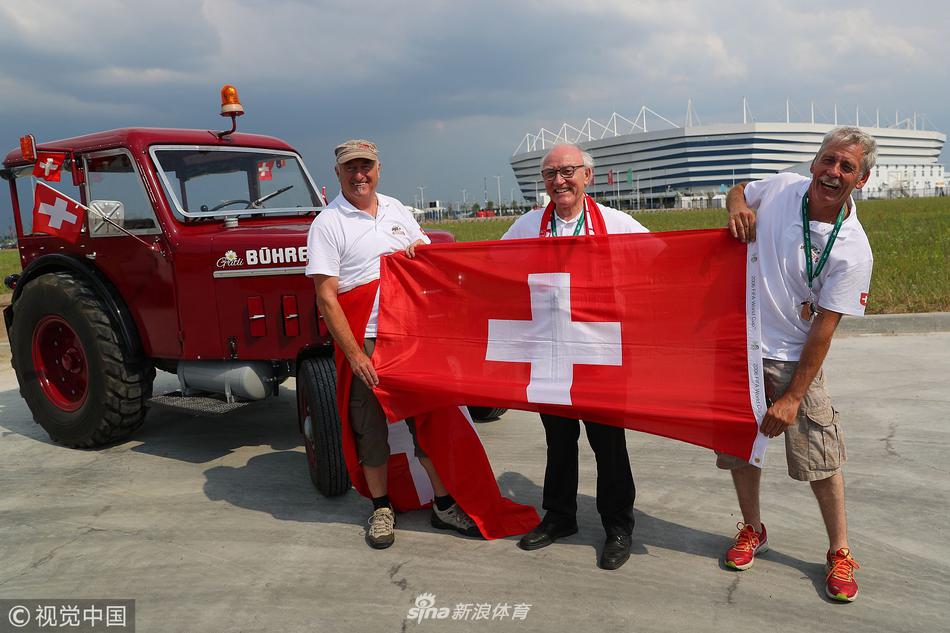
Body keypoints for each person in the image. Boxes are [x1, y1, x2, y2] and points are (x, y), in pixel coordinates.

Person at [720, 127, 876, 602]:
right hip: (741, 348)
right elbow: (740, 190)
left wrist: (790, 398)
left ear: (862, 180)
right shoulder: (785, 187)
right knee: (741, 451)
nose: (833, 172)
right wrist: (737, 207)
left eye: (846, 167)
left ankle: (840, 551)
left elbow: (823, 330)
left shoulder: (853, 250)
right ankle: (752, 529)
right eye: (828, 160)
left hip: (794, 360)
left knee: (821, 459)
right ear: (813, 164)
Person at [306, 139, 480, 549]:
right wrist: (353, 354)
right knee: (369, 428)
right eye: (350, 168)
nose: (358, 174)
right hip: (364, 340)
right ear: (337, 174)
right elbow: (326, 296)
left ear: (378, 169)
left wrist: (421, 251)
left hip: (408, 335)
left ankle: (442, 504)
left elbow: (424, 256)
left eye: (365, 166)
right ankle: (381, 508)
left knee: (426, 419)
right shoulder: (328, 224)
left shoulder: (397, 210)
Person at [501, 143, 648, 570]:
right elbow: (490, 265)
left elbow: (661, 263)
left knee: (609, 444)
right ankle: (560, 516)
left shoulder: (618, 223)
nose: (559, 181)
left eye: (567, 171)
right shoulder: (528, 225)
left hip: (600, 352)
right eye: (550, 174)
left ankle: (619, 525)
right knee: (558, 441)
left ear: (587, 176)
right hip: (552, 351)